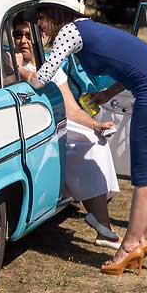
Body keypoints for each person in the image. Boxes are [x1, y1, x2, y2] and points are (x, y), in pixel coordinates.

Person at [29, 0, 147, 275]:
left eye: (40, 17)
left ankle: (129, 247)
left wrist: (22, 72)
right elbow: (130, 68)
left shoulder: (70, 31)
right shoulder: (90, 29)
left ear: (55, 15)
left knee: (146, 178)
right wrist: (106, 94)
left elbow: (43, 76)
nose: (39, 25)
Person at [11, 14, 121, 249]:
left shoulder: (49, 65)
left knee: (95, 139)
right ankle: (102, 222)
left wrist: (95, 125)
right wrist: (17, 67)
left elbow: (70, 108)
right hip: (26, 127)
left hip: (56, 120)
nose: (22, 41)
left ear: (41, 37)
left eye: (28, 35)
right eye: (17, 35)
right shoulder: (5, 63)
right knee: (80, 145)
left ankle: (100, 220)